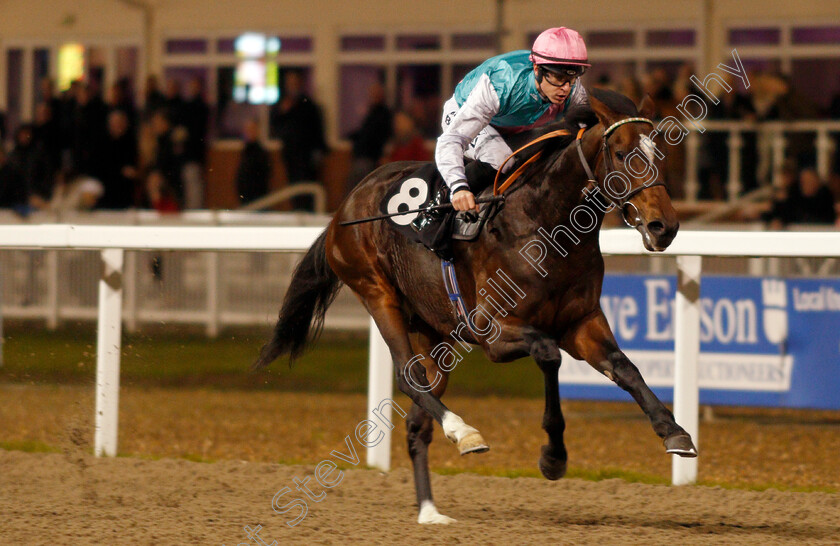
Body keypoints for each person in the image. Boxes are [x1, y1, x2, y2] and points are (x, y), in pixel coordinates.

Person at [435, 27, 591, 215]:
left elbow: (586, 137)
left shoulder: (573, 90)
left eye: (572, 78)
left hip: (512, 126)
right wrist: (459, 187)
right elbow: (450, 140)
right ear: (537, 69)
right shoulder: (502, 84)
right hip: (463, 111)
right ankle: (441, 200)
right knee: (500, 158)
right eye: (559, 78)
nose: (566, 89)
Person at [270, 70, 327, 211]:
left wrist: (318, 152)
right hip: (291, 155)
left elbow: (316, 130)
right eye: (289, 83)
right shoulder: (283, 105)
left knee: (308, 190)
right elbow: (276, 127)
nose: (292, 86)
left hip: (307, 157)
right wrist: (283, 112)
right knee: (294, 188)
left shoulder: (308, 105)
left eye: (294, 83)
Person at [346, 82, 392, 194]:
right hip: (363, 156)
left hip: (370, 158)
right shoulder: (372, 112)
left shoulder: (383, 114)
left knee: (361, 190)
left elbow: (376, 136)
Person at [762, 168, 837, 227]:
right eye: (804, 182)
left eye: (810, 181)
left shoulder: (826, 199)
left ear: (817, 182)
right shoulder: (793, 198)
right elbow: (777, 214)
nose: (807, 184)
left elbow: (827, 219)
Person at [98, 110, 138, 209]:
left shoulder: (131, 142)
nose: (118, 126)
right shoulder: (102, 142)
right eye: (115, 123)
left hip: (126, 185)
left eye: (121, 123)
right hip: (106, 181)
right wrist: (120, 170)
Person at [235, 119, 272, 205]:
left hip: (258, 198)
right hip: (246, 197)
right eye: (247, 130)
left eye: (252, 129)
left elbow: (264, 177)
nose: (249, 133)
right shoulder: (245, 151)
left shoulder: (261, 153)